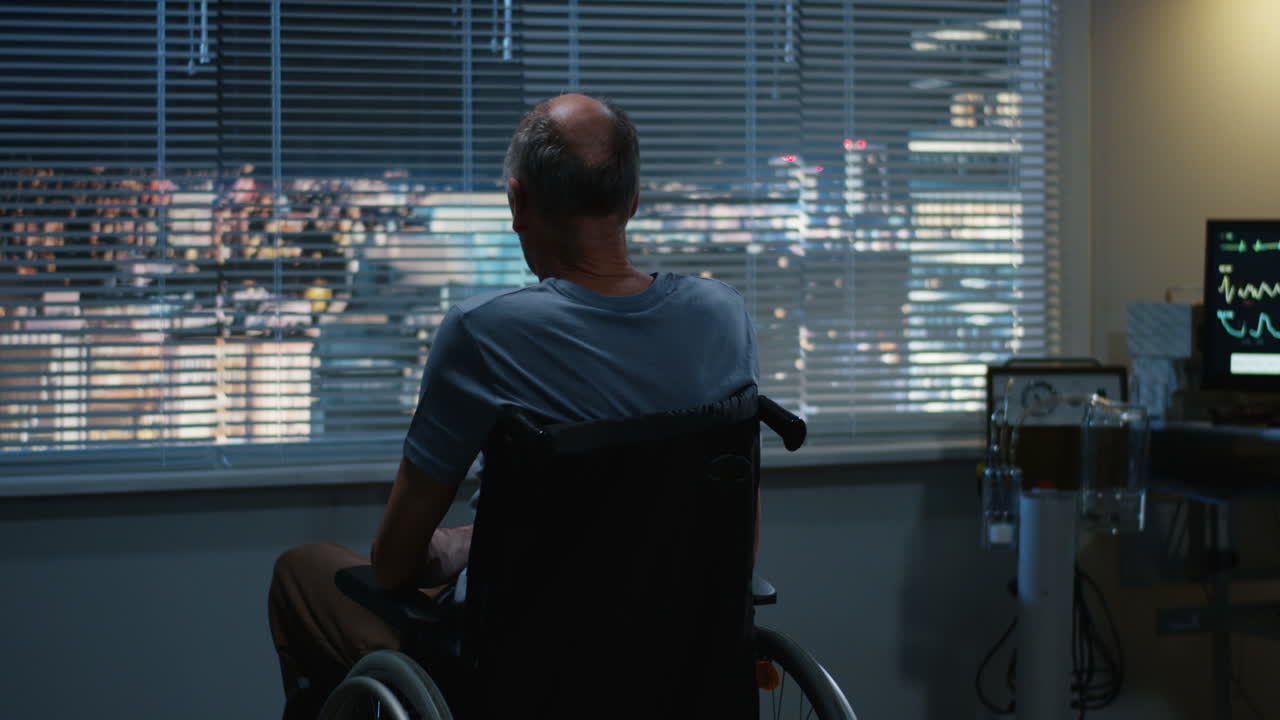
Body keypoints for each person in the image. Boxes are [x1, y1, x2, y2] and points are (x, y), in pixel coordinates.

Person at [267, 93, 759, 718]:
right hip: (685, 657)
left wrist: (464, 543)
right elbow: (731, 532)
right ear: (632, 202)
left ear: (518, 204)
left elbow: (394, 564)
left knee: (302, 571)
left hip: (526, 672)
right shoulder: (724, 315)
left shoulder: (483, 333)